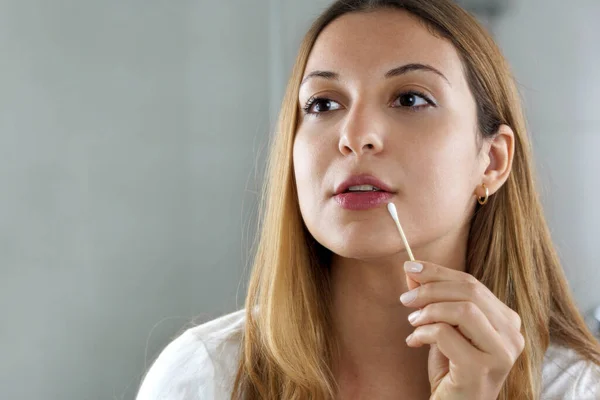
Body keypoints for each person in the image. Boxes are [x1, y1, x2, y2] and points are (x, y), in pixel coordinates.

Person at [136, 0, 600, 399]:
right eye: (323, 104)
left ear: (493, 161)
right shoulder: (205, 378)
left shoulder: (577, 388)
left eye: (410, 99)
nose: (355, 136)